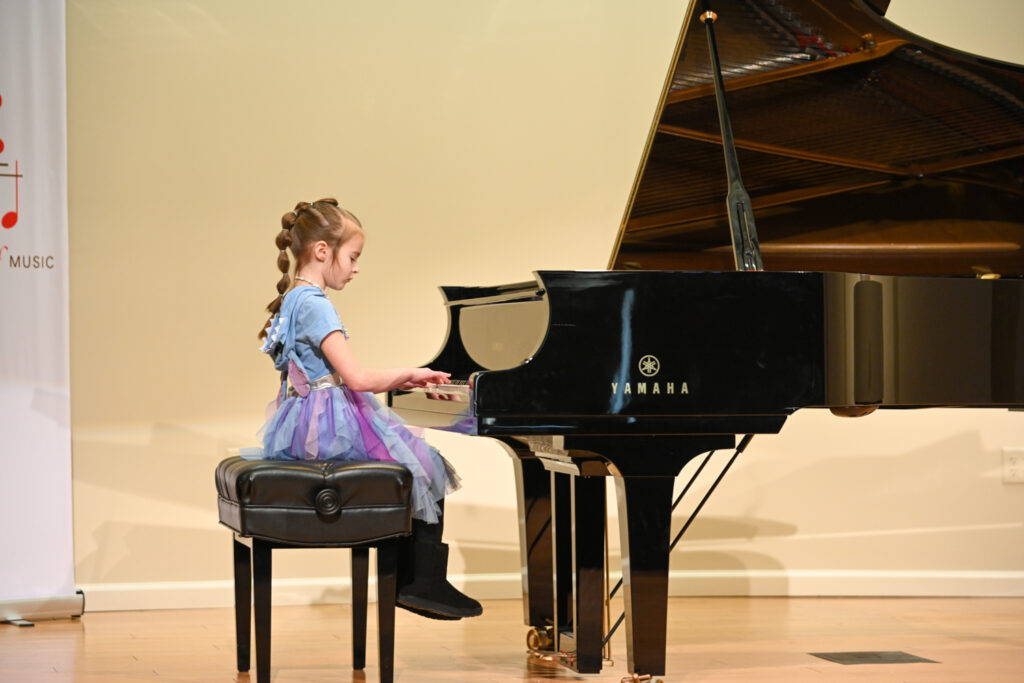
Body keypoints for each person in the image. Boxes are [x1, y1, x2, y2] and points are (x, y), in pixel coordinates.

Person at [255, 198, 482, 620]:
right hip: (329, 426)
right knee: (427, 465)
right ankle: (421, 583)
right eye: (353, 257)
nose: (356, 268)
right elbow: (356, 378)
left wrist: (403, 379)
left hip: (303, 422)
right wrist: (410, 373)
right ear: (322, 251)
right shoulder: (316, 304)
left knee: (414, 465)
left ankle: (412, 581)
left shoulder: (293, 299)